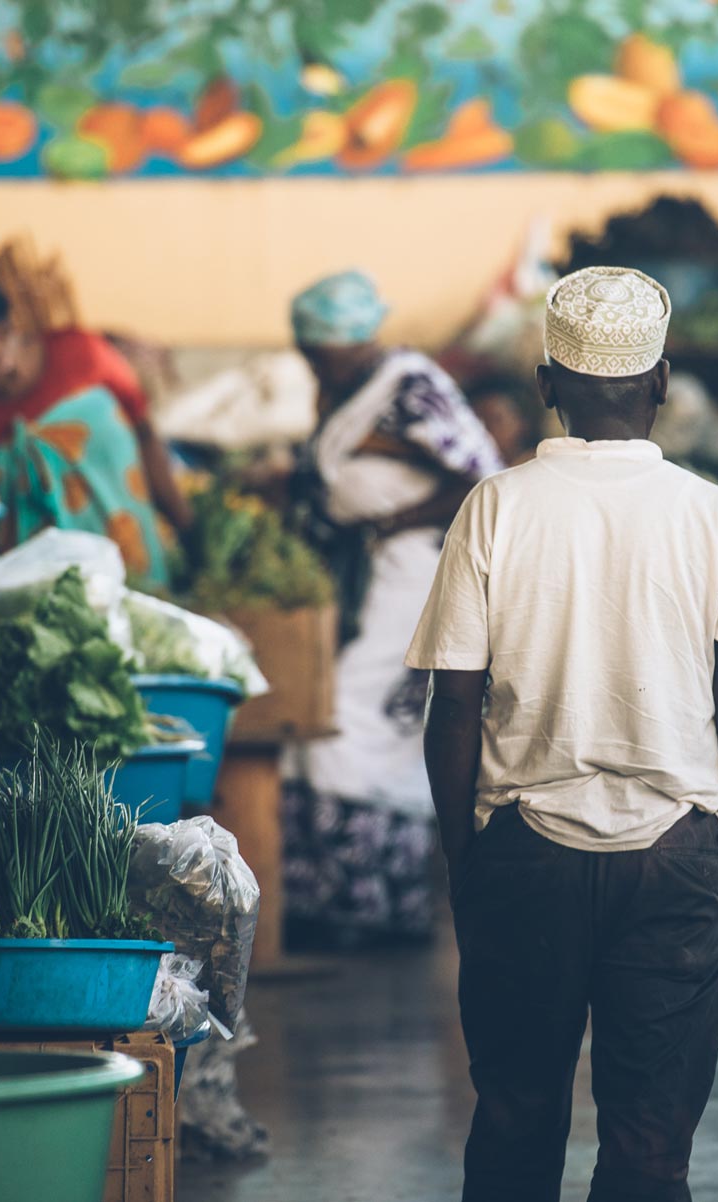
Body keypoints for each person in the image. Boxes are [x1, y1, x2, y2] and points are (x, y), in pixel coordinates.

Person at [407, 266, 718, 1202]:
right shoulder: (710, 514)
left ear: (546, 386)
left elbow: (454, 707)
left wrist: (466, 856)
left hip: (525, 857)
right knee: (652, 1148)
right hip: (678, 860)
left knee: (515, 1120)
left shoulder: (495, 507)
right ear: (661, 385)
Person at [282, 270, 505, 946]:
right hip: (376, 575)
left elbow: (480, 476)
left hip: (416, 573)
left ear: (350, 342)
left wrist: (393, 519)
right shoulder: (354, 392)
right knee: (340, 723)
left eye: (317, 351)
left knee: (357, 720)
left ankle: (376, 903)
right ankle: (339, 902)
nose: (311, 363)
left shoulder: (411, 389)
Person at [0, 280, 192, 587]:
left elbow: (144, 436)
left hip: (133, 561)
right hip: (39, 588)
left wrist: (186, 527)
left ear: (3, 333)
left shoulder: (82, 355)